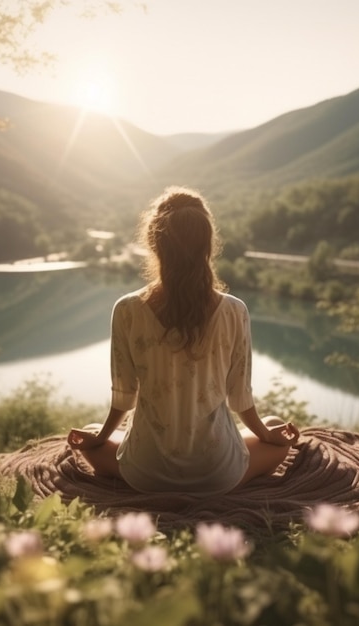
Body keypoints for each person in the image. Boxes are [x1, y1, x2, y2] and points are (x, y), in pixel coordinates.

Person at [68, 186, 299, 495]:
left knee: (93, 435)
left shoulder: (127, 310)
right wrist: (267, 436)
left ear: (154, 244)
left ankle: (128, 456)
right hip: (217, 473)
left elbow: (124, 396)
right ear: (208, 245)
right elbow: (240, 398)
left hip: (146, 472)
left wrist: (101, 438)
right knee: (273, 428)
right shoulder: (234, 310)